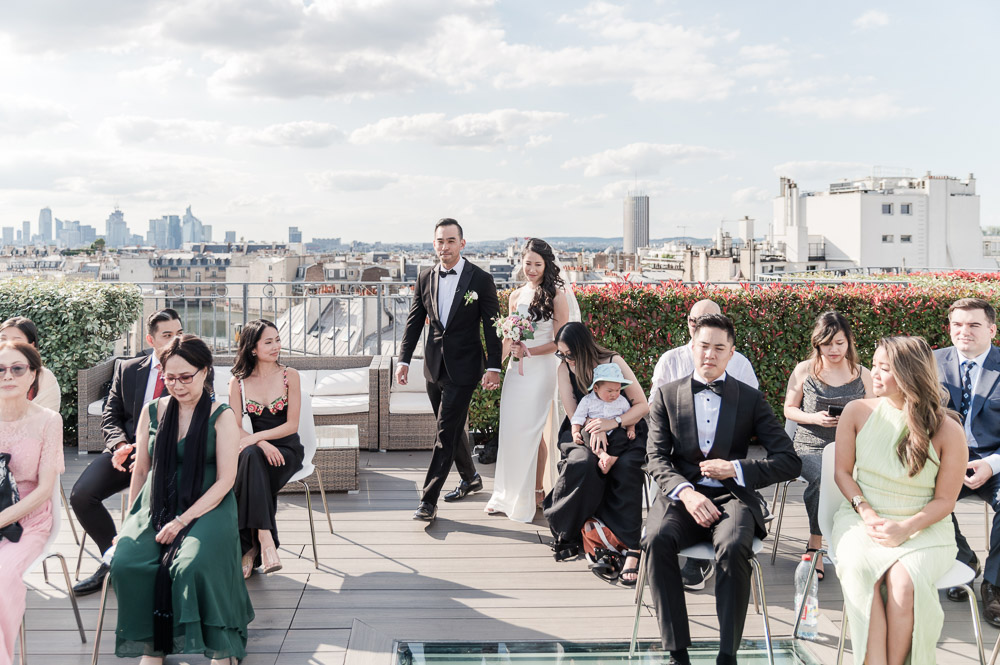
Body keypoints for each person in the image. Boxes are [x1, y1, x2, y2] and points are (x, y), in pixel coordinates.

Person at [644, 314, 800, 665]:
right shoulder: (667, 396)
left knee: (732, 546)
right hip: (682, 496)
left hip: (733, 496)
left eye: (719, 348)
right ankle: (677, 653)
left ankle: (727, 655)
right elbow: (655, 458)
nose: (710, 355)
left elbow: (789, 461)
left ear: (731, 353)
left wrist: (737, 469)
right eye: (703, 346)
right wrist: (687, 492)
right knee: (656, 539)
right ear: (692, 348)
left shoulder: (750, 399)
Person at [110, 334, 253, 664]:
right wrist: (129, 521)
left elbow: (226, 481)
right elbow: (142, 471)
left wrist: (182, 520)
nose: (176, 385)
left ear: (204, 372)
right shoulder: (152, 411)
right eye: (169, 377)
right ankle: (153, 645)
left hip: (208, 504)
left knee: (194, 564)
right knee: (128, 563)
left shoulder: (222, 416)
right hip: (156, 500)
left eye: (185, 376)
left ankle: (220, 643)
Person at [833, 336, 966, 665]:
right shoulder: (856, 411)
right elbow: (842, 474)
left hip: (925, 526)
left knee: (904, 584)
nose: (873, 374)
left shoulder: (948, 430)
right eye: (873, 365)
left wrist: (906, 528)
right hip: (862, 518)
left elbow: (945, 501)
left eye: (884, 368)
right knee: (862, 571)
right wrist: (865, 513)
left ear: (910, 375)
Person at [70, 308, 183, 596]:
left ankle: (155, 564)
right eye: (167, 335)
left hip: (170, 456)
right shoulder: (129, 369)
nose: (175, 341)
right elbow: (111, 416)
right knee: (82, 495)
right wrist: (120, 446)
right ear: (151, 339)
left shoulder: (190, 372)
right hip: (128, 451)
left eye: (179, 334)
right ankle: (114, 558)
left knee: (156, 500)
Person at [647, 298, 759, 590]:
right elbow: (655, 412)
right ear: (689, 326)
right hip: (678, 465)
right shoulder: (670, 361)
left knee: (732, 540)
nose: (703, 328)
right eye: (696, 322)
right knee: (658, 537)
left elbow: (752, 414)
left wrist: (735, 466)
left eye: (711, 320)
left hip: (726, 475)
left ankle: (702, 558)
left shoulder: (741, 365)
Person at [396, 218, 502, 522]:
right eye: (440, 241)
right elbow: (415, 321)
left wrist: (493, 366)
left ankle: (428, 500)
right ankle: (471, 478)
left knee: (444, 433)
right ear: (434, 244)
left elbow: (492, 328)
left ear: (462, 243)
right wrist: (404, 360)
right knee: (452, 430)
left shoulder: (480, 279)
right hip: (433, 367)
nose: (445, 247)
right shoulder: (424, 276)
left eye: (451, 241)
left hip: (465, 368)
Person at [543, 322, 649, 586]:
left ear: (583, 347)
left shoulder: (613, 361)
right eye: (561, 354)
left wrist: (611, 424)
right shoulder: (564, 369)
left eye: (569, 354)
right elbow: (572, 412)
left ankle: (629, 542)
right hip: (584, 427)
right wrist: (593, 432)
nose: (566, 359)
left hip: (624, 426)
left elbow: (642, 405)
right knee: (583, 462)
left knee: (626, 467)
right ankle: (570, 527)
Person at [484, 238, 569, 521]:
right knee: (510, 430)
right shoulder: (514, 296)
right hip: (516, 371)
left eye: (537, 264)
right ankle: (506, 493)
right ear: (521, 263)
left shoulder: (557, 295)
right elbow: (509, 339)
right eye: (527, 263)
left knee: (533, 431)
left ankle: (535, 492)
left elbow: (559, 342)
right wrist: (494, 367)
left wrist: (529, 350)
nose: (531, 269)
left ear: (546, 265)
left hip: (542, 369)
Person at [783, 311, 871, 579]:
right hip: (810, 445)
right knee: (823, 478)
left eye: (840, 343)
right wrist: (814, 418)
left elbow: (876, 412)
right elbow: (788, 409)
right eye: (827, 343)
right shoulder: (804, 370)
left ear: (849, 342)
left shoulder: (862, 373)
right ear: (817, 343)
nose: (834, 349)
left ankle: (861, 544)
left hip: (852, 448)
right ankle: (816, 543)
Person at [934, 298, 1000, 624]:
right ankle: (963, 560)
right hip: (946, 459)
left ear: (991, 328)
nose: (964, 332)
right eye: (957, 324)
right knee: (921, 493)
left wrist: (993, 465)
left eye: (973, 324)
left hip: (996, 460)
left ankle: (994, 584)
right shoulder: (929, 364)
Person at [0, 341, 64, 664]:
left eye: (17, 368)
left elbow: (44, 489)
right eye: (0, 369)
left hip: (29, 522)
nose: (7, 376)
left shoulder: (49, 420)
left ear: (33, 375)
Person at [228, 319, 304, 578]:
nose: (276, 347)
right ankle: (265, 539)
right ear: (252, 348)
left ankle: (250, 547)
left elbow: (292, 425)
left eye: (277, 340)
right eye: (268, 342)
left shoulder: (289, 375)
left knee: (248, 465)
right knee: (251, 457)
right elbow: (235, 427)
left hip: (287, 449)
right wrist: (259, 442)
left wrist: (257, 440)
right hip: (256, 450)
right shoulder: (238, 382)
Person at [570, 363, 636, 473]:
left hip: (614, 430)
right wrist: (575, 432)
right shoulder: (587, 400)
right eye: (610, 391)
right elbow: (578, 417)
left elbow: (629, 416)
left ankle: (611, 460)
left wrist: (631, 429)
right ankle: (601, 454)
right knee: (585, 434)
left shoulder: (622, 401)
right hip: (594, 430)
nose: (614, 394)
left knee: (622, 438)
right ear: (595, 388)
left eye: (618, 390)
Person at [0, 316, 61, 411]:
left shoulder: (44, 377)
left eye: (16, 340)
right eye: (3, 339)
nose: (8, 345)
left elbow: (46, 419)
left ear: (31, 345)